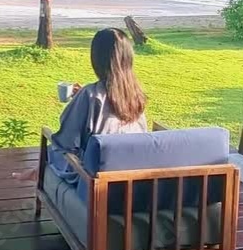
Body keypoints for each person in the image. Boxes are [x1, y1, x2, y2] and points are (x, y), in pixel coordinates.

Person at [14, 28, 147, 183]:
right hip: (130, 172)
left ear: (97, 59)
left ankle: (36, 173)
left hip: (94, 178)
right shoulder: (136, 95)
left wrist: (82, 100)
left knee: (55, 146)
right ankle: (35, 171)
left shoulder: (90, 95)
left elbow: (66, 140)